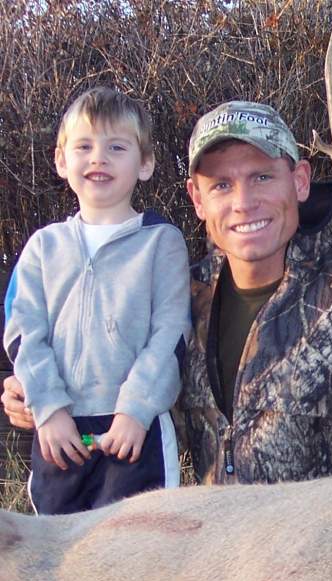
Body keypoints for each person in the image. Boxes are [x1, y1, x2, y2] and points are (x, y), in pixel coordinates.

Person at [3, 100, 332, 486]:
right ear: (197, 200)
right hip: (222, 564)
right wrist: (40, 397)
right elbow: (113, 366)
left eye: (261, 177)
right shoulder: (184, 294)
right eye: (222, 185)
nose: (244, 202)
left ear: (298, 180)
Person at [2, 87, 191, 513]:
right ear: (60, 160)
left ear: (144, 164)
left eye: (116, 147)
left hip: (134, 436)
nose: (98, 158)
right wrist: (49, 410)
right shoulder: (42, 248)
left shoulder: (161, 243)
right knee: (57, 560)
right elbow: (22, 335)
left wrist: (135, 412)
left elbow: (170, 335)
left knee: (137, 554)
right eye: (83, 146)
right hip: (59, 434)